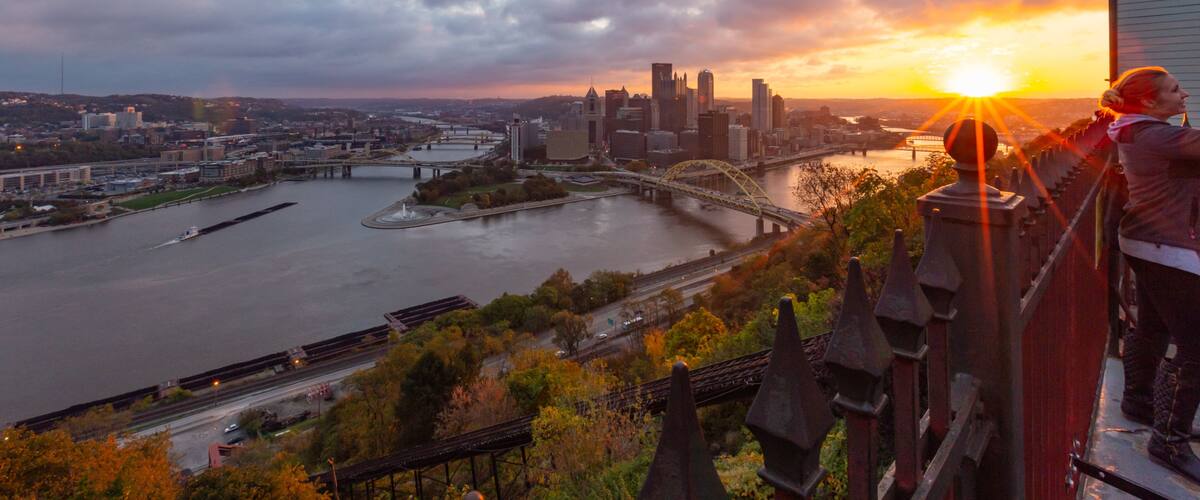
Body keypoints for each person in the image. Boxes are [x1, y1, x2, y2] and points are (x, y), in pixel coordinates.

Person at [1101, 65, 1200, 483]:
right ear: (1149, 102)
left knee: (1153, 327)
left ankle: (1139, 402)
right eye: (1175, 90)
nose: (1184, 95)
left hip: (1143, 241)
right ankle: (1170, 440)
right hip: (1166, 248)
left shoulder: (1136, 131)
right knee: (1196, 347)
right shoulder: (1156, 136)